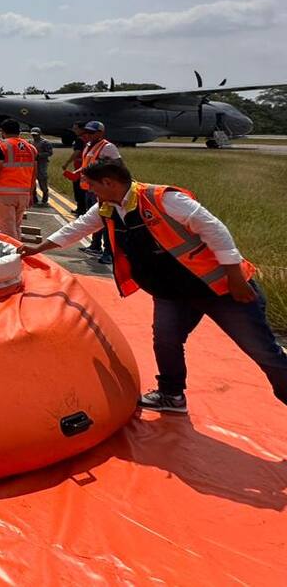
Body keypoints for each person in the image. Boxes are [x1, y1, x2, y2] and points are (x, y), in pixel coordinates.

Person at [19, 159, 287, 413]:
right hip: (172, 292)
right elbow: (76, 229)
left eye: (93, 186)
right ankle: (171, 394)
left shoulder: (164, 199)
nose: (90, 192)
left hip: (220, 288)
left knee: (263, 352)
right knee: (166, 341)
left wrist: (235, 278)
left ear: (110, 182)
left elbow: (215, 230)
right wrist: (38, 248)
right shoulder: (107, 208)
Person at [69, 121, 121, 264]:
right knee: (94, 220)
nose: (88, 135)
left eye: (92, 133)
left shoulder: (108, 147)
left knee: (106, 220)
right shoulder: (88, 146)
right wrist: (77, 172)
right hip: (90, 189)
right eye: (87, 132)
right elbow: (88, 166)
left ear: (100, 133)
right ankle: (95, 245)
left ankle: (108, 252)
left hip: (102, 191)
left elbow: (118, 166)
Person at [0, 119, 36, 240]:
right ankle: (18, 252)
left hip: (4, 195)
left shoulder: (0, 146)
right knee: (15, 227)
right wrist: (31, 193)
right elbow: (33, 173)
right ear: (19, 132)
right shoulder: (31, 148)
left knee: (7, 231)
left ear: (2, 132)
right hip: (23, 195)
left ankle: (13, 256)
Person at [29, 126, 54, 206]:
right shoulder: (31, 142)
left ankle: (44, 199)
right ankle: (34, 199)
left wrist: (39, 155)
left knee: (42, 181)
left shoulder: (45, 142)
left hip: (42, 164)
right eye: (33, 135)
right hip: (33, 164)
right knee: (32, 182)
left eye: (36, 135)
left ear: (39, 134)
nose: (34, 136)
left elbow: (50, 153)